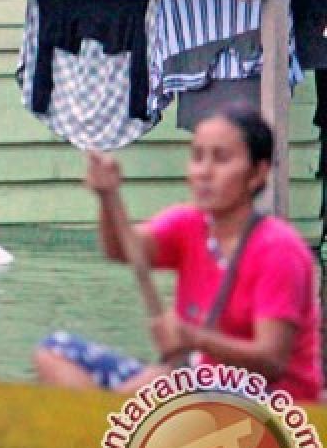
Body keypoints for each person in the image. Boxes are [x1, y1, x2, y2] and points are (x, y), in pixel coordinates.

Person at [34, 103, 323, 402]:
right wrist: (109, 198)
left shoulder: (278, 250)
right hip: (195, 381)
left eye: (221, 159)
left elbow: (272, 360)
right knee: (54, 352)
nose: (204, 172)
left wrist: (191, 338)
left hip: (278, 404)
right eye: (198, 157)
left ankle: (105, 428)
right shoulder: (188, 224)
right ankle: (104, 428)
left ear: (257, 173)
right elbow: (124, 249)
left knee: (165, 380)